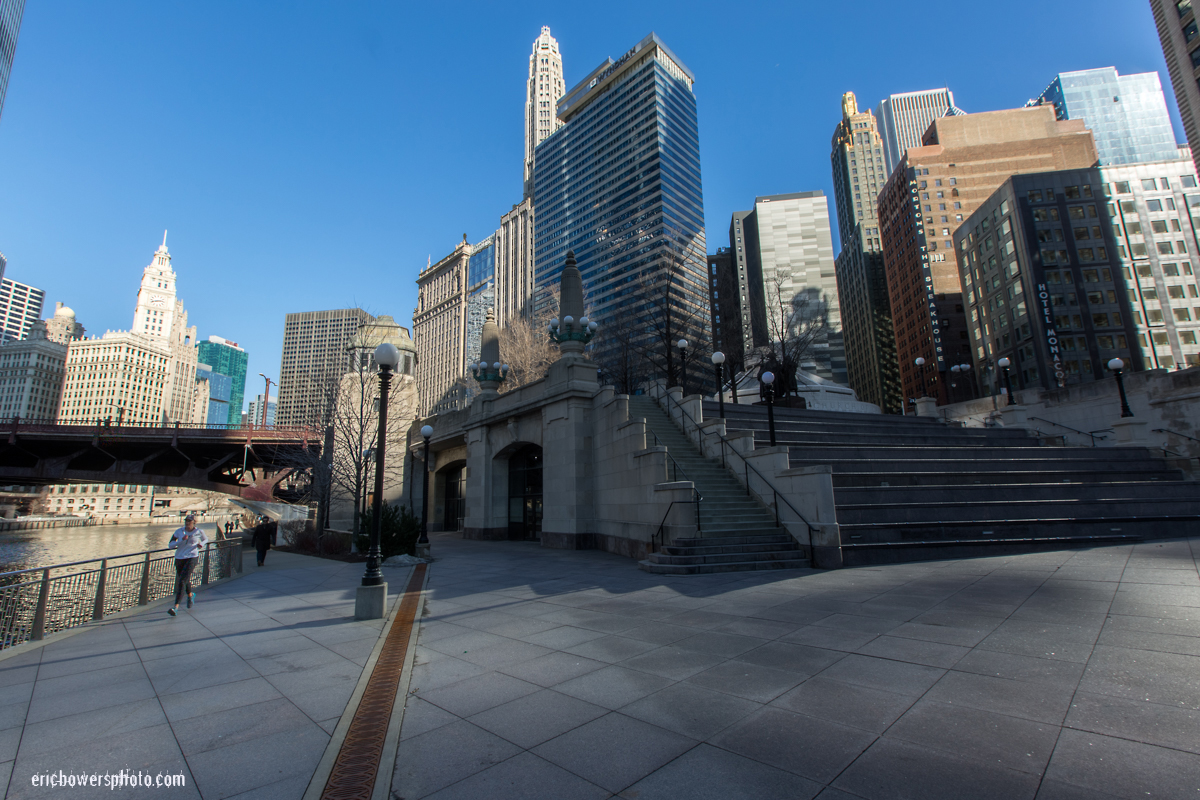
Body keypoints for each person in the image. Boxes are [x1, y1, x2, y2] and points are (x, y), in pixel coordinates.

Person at [166, 514, 209, 616]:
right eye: (186, 521)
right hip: (179, 558)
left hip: (192, 557)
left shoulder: (198, 531)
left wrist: (201, 545)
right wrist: (181, 541)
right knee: (184, 579)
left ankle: (175, 607)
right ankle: (190, 595)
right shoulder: (179, 532)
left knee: (181, 581)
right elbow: (170, 545)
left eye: (189, 521)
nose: (187, 523)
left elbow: (205, 539)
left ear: (194, 522)